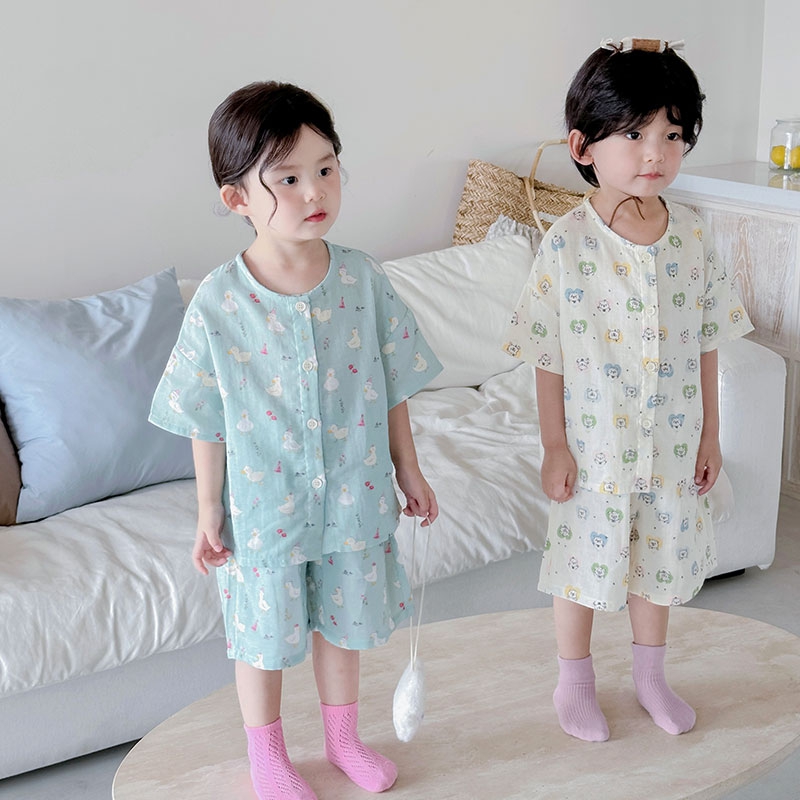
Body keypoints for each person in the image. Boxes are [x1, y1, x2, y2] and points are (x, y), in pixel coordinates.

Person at [149, 81, 442, 799]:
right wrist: (208, 511)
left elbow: (394, 381)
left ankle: (344, 741)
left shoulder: (363, 280)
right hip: (264, 510)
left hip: (354, 495)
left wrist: (409, 470)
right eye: (286, 178)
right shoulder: (219, 301)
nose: (314, 191)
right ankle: (268, 758)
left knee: (344, 627)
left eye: (326, 168)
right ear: (237, 198)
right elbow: (205, 417)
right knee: (264, 640)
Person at [503, 38, 753, 742]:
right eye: (636, 134)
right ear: (583, 145)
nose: (655, 153)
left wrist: (711, 435)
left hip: (672, 442)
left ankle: (651, 678)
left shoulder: (692, 236)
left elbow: (707, 341)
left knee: (659, 559)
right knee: (582, 564)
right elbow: (546, 353)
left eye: (672, 135)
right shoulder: (567, 243)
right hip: (596, 447)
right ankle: (574, 683)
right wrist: (555, 445)